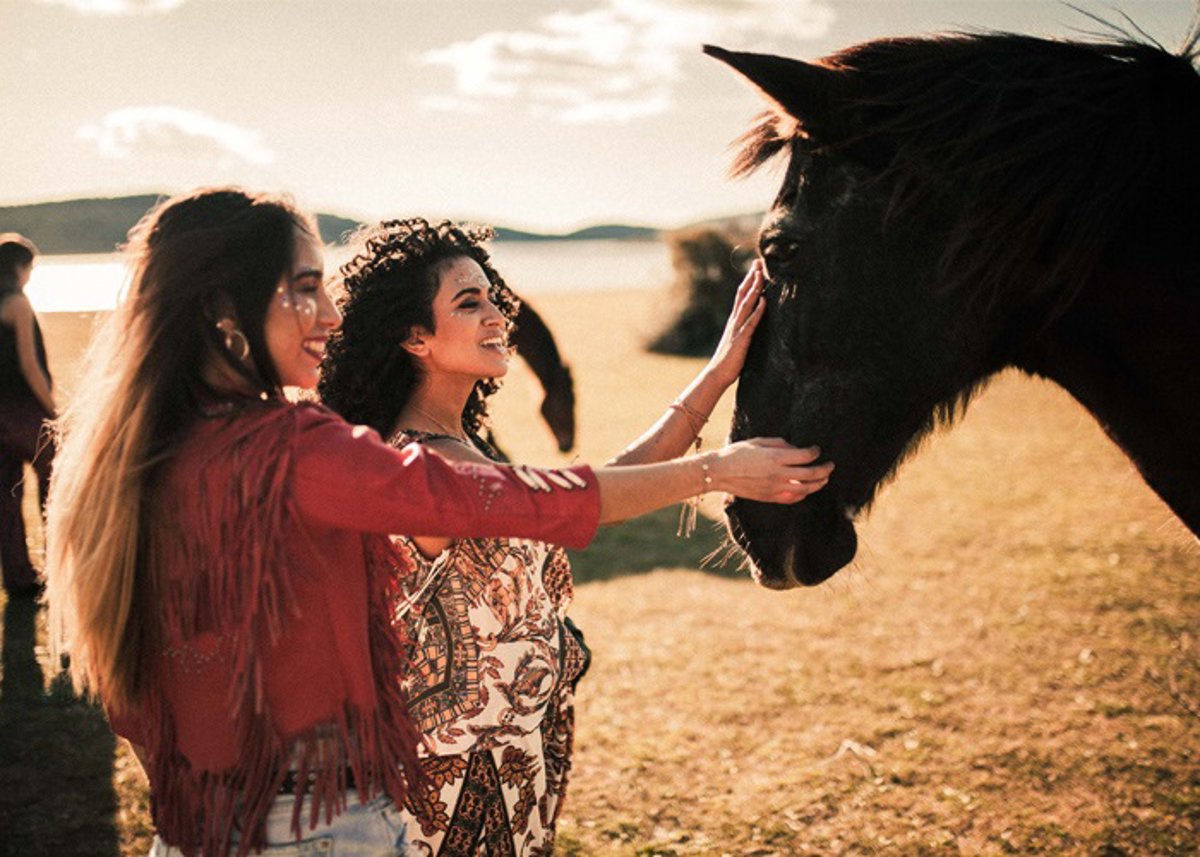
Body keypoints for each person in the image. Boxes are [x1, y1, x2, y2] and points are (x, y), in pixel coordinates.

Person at [43, 190, 832, 857]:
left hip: (259, 816)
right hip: (398, 808)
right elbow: (538, 503)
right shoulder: (318, 451)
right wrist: (713, 471)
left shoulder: (174, 449)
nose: (328, 313)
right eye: (305, 288)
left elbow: (555, 493)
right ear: (226, 310)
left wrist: (715, 377)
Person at [317, 219, 832, 856]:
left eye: (493, 297)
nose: (498, 316)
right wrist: (715, 471)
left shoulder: (457, 447)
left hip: (508, 763)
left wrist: (720, 371)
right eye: (469, 304)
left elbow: (600, 487)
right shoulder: (427, 464)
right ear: (414, 336)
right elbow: (588, 502)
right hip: (445, 783)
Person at [0, 233, 55, 598]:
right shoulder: (18, 303)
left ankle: (19, 578)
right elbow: (30, 366)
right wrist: (54, 411)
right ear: (20, 267)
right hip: (24, 411)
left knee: (5, 500)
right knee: (55, 485)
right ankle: (56, 566)